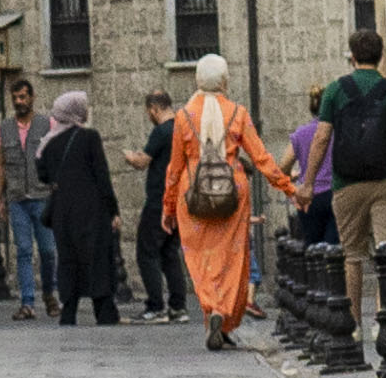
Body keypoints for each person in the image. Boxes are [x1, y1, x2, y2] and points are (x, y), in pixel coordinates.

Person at [156, 53, 297, 350]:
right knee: (233, 260)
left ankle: (211, 308)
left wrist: (168, 207)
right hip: (232, 193)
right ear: (224, 79)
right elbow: (261, 158)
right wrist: (288, 187)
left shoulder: (183, 117)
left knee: (199, 259)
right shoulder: (238, 113)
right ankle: (224, 315)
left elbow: (174, 169)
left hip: (192, 194)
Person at [316, 27, 386, 318]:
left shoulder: (336, 90)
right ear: (381, 56)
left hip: (347, 183)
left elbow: (322, 138)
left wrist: (308, 182)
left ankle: (353, 322)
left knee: (352, 256)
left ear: (352, 56)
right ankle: (385, 320)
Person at [36, 90, 123, 325]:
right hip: (92, 210)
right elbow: (102, 176)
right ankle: (104, 311)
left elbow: (43, 174)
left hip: (63, 212)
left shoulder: (49, 143)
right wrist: (113, 210)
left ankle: (69, 311)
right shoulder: (89, 137)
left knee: (69, 259)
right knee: (97, 258)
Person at [0, 77, 57, 319]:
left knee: (49, 250)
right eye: (15, 98)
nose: (19, 102)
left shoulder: (47, 124)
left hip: (42, 196)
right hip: (17, 198)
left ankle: (50, 294)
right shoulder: (4, 129)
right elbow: (0, 165)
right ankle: (27, 302)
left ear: (31, 98)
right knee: (24, 250)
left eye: (23, 97)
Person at [124, 92, 191, 321]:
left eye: (148, 112)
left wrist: (129, 156)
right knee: (170, 253)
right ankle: (178, 306)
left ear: (154, 109)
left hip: (158, 201)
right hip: (179, 202)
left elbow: (142, 161)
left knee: (147, 252)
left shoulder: (161, 132)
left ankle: (155, 305)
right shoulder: (183, 129)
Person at [287, 86, 342, 245]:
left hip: (309, 198)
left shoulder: (301, 134)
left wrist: (294, 176)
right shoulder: (341, 132)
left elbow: (283, 167)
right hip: (336, 195)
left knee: (313, 250)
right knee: (335, 252)